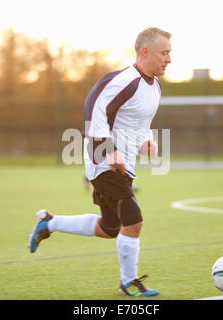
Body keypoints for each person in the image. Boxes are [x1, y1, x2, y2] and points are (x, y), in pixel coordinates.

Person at [28, 27, 171, 297]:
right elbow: (95, 106)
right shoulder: (124, 79)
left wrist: (147, 140)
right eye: (164, 53)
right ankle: (128, 283)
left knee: (110, 229)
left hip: (122, 166)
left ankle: (49, 223)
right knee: (134, 221)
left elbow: (137, 122)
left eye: (169, 54)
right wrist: (108, 149)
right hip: (103, 161)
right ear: (145, 52)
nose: (169, 59)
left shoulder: (155, 87)